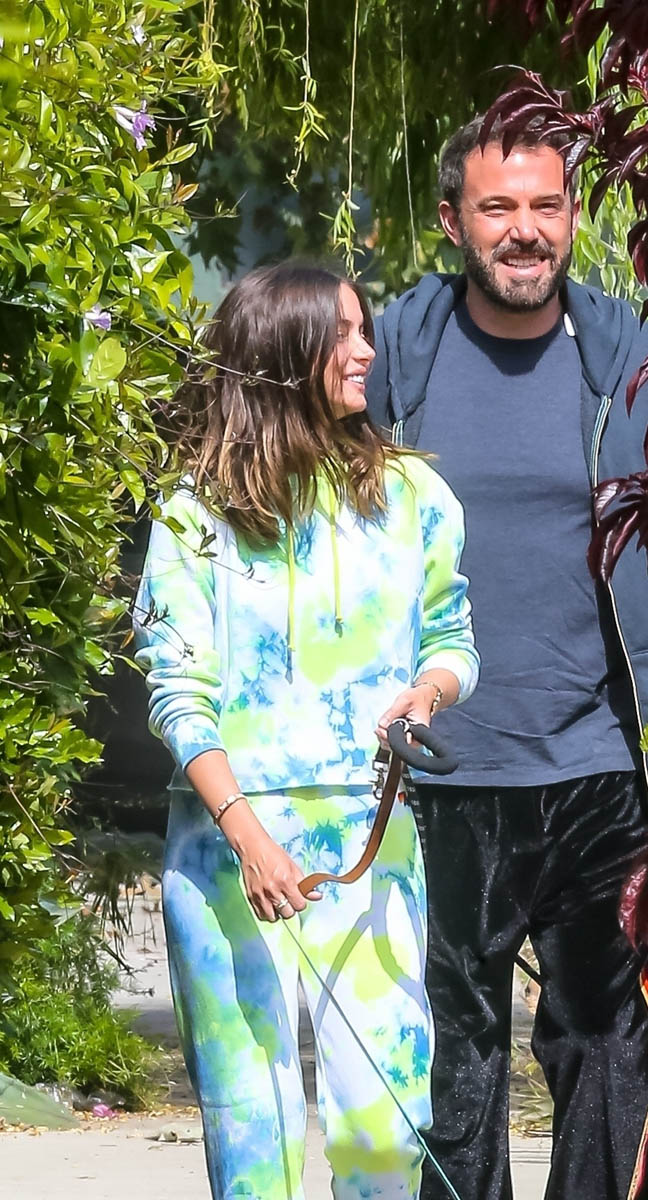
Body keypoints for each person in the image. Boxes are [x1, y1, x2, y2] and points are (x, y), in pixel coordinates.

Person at [366, 115, 648, 1200]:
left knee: (603, 1042)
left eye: (546, 205)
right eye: (498, 208)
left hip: (603, 763)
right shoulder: (399, 353)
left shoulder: (631, 360)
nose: (525, 230)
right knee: (459, 1053)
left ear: (573, 216)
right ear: (454, 222)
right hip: (442, 768)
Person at [133, 262, 479, 1200]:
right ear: (282, 353)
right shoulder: (193, 515)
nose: (367, 352)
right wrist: (248, 838)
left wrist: (427, 695)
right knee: (256, 1135)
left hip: (368, 841)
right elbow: (177, 693)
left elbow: (452, 639)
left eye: (365, 330)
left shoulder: (414, 496)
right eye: (343, 334)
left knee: (386, 1129)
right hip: (227, 849)